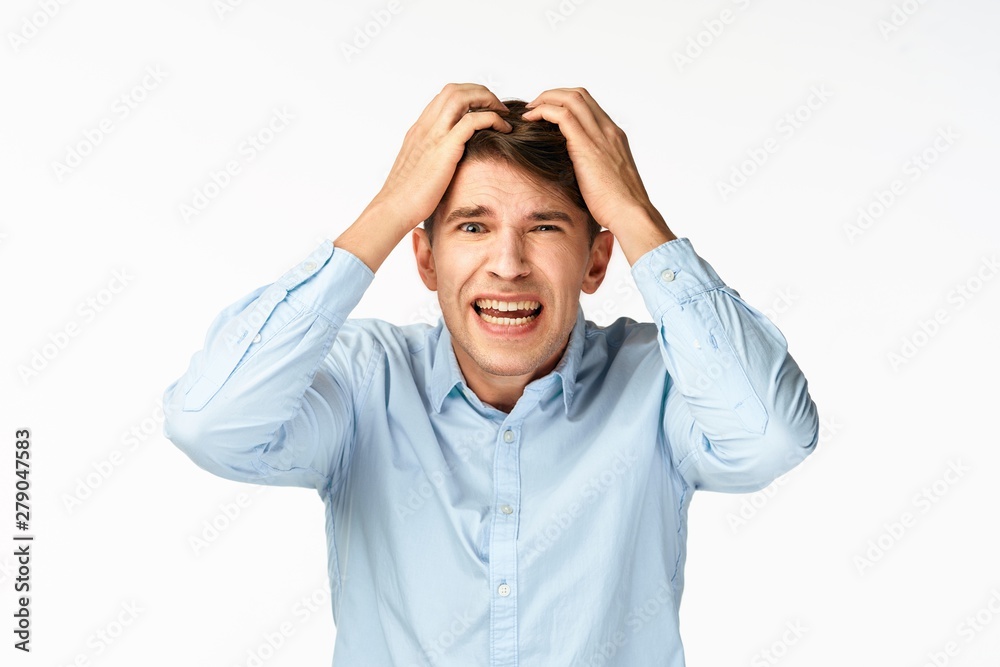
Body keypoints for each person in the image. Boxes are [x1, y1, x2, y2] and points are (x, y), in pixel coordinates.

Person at [163, 83, 819, 666]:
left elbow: (773, 436)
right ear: (425, 260)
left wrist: (636, 211)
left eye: (546, 226)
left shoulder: (662, 384)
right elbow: (210, 422)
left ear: (596, 262)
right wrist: (390, 208)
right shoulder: (365, 384)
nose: (508, 263)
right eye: (473, 226)